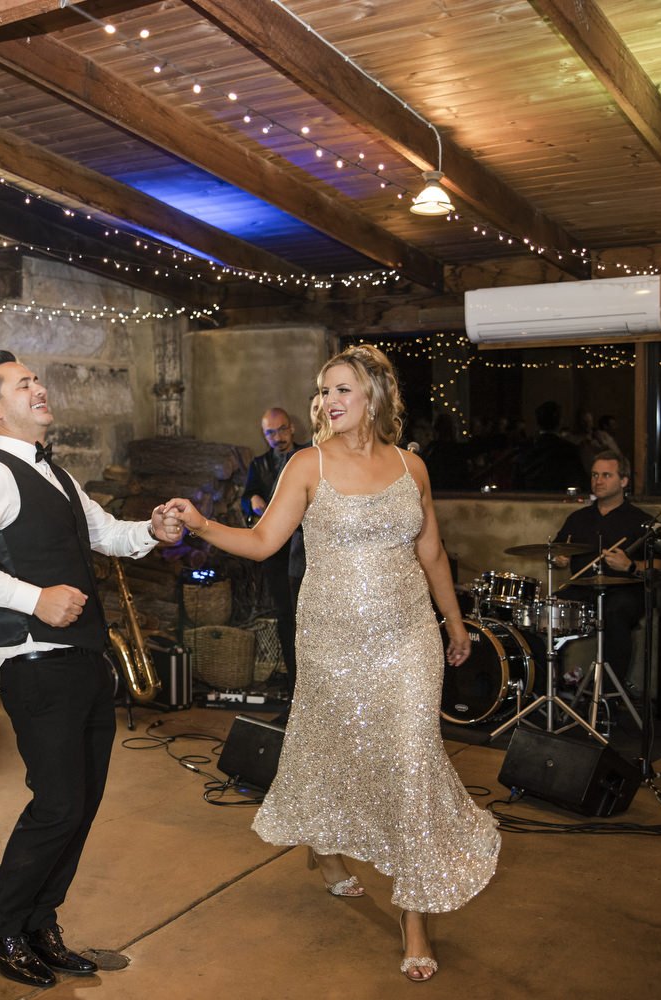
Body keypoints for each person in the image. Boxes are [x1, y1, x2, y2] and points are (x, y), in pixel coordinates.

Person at [165, 344, 498, 982]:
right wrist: (204, 525)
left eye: (342, 389)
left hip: (407, 638)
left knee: (411, 758)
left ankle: (414, 914)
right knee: (331, 746)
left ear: (373, 395)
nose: (328, 402)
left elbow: (432, 553)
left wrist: (455, 624)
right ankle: (325, 849)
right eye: (324, 391)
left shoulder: (413, 467)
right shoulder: (305, 464)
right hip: (333, 641)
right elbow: (264, 543)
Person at [0, 351, 183, 989]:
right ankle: (0, 926)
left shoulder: (57, 474)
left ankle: (40, 924)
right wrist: (31, 598)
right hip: (37, 664)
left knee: (81, 804)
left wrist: (151, 529)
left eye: (36, 379)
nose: (39, 388)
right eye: (24, 384)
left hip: (84, 661)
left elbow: (110, 537)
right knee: (59, 803)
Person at [551, 452, 657, 690]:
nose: (598, 480)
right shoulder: (578, 519)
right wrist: (559, 558)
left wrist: (630, 565)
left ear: (624, 481)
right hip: (583, 590)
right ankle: (548, 690)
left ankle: (609, 695)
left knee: (614, 612)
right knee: (546, 612)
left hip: (624, 593)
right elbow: (559, 550)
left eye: (606, 475)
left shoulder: (642, 521)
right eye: (595, 475)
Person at [241, 407, 307, 688]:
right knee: (285, 615)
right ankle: (295, 685)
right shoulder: (259, 464)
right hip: (275, 551)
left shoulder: (308, 456)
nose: (277, 437)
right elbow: (246, 498)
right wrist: (253, 500)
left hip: (304, 547)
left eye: (281, 430)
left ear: (291, 428)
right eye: (271, 432)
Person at [515, 400, 585, 492]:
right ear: (560, 421)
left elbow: (517, 481)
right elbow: (579, 480)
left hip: (529, 500)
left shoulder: (524, 448)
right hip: (560, 501)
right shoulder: (569, 449)